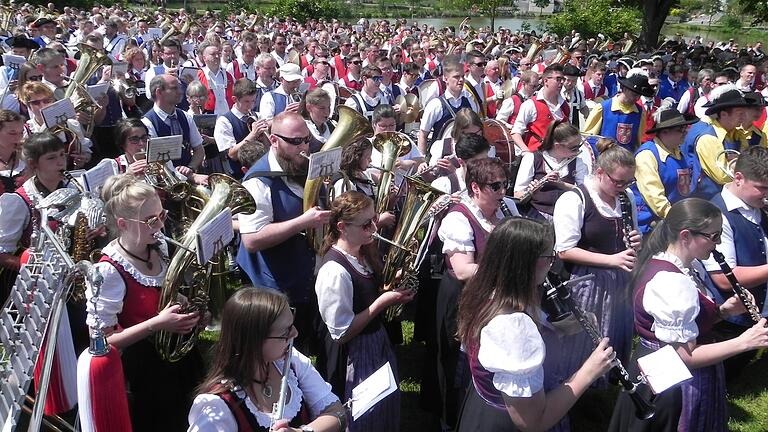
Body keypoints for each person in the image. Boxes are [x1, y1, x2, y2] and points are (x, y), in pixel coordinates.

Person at [608, 198, 768, 432]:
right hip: (674, 384)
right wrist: (744, 342)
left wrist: (724, 311)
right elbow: (683, 356)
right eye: (713, 236)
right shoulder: (671, 282)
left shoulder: (677, 264)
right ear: (685, 236)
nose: (718, 243)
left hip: (658, 370)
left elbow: (685, 326)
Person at [455, 217, 615, 431]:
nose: (552, 263)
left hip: (482, 406)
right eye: (548, 257)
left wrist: (557, 328)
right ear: (524, 264)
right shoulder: (514, 327)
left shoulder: (484, 292)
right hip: (506, 422)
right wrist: (589, 371)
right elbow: (532, 422)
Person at [88, 174, 203, 431]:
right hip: (144, 371)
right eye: (151, 220)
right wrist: (158, 324)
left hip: (177, 355)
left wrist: (189, 308)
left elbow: (160, 293)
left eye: (162, 216)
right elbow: (101, 340)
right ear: (123, 224)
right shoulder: (107, 271)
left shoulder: (158, 246)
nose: (160, 226)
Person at [315, 191, 413, 431]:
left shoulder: (363, 251)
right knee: (364, 416)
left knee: (383, 410)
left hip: (375, 342)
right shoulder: (333, 272)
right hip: (354, 354)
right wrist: (383, 302)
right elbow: (341, 333)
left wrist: (396, 279)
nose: (374, 228)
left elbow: (370, 288)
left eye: (374, 220)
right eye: (366, 224)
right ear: (342, 227)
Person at [188, 287, 346, 431]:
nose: (295, 334)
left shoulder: (292, 363)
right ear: (254, 341)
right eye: (285, 332)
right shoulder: (217, 407)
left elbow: (337, 412)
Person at [237, 111, 330, 353]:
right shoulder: (257, 182)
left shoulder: (302, 164)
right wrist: (302, 222)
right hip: (273, 285)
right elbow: (252, 240)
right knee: (281, 352)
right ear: (274, 140)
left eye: (306, 140)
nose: (303, 148)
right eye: (295, 142)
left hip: (303, 274)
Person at [551, 141, 641, 383]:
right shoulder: (575, 199)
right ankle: (580, 388)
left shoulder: (625, 197)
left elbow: (625, 238)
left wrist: (633, 242)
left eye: (628, 182)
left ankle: (610, 381)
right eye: (618, 182)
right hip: (586, 282)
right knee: (587, 340)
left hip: (618, 277)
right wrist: (612, 259)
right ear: (600, 172)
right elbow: (564, 251)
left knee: (614, 333)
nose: (623, 188)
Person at [434, 157, 513, 431]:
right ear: (475, 187)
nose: (503, 192)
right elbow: (463, 269)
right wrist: (509, 268)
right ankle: (454, 419)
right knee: (459, 364)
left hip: (495, 299)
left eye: (505, 184)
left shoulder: (506, 209)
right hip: (463, 300)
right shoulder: (458, 218)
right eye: (496, 186)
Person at [702, 146, 768, 378]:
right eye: (762, 188)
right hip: (730, 321)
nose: (767, 194)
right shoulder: (717, 214)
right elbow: (722, 278)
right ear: (738, 178)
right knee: (727, 376)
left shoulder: (759, 206)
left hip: (757, 310)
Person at [632, 109, 697, 233]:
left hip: (676, 222)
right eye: (680, 130)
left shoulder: (678, 152)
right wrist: (680, 219)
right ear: (664, 132)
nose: (684, 133)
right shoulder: (647, 155)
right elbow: (654, 197)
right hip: (650, 226)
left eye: (685, 129)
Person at [684, 84, 752, 200]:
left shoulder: (739, 135)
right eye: (739, 113)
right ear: (724, 114)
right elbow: (723, 176)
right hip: (709, 201)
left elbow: (749, 163)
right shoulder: (708, 139)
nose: (744, 117)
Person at [513, 120, 590, 220]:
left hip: (568, 217)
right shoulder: (532, 158)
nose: (577, 151)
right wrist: (532, 191)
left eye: (579, 146)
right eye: (573, 148)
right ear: (557, 145)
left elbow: (586, 193)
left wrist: (561, 184)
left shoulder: (578, 163)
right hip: (537, 215)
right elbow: (517, 194)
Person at [142, 74, 205, 174]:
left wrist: (191, 168)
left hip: (190, 177)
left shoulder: (185, 116)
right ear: (159, 92)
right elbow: (154, 162)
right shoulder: (147, 123)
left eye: (179, 88)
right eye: (174, 88)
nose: (180, 92)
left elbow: (199, 150)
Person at [582, 70, 655, 153]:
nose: (637, 98)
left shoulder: (640, 112)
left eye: (639, 95)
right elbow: (588, 139)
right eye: (634, 95)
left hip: (626, 161)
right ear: (625, 89)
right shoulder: (603, 108)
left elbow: (638, 142)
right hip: (604, 160)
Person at [213, 78, 269, 180]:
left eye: (253, 101)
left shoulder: (257, 116)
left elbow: (267, 148)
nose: (251, 105)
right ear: (234, 99)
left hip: (261, 170)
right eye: (246, 101)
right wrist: (253, 135)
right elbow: (232, 154)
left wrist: (264, 136)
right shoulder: (224, 121)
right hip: (239, 176)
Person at [418, 60, 477, 155]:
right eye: (456, 77)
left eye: (462, 76)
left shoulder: (470, 101)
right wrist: (422, 158)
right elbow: (423, 135)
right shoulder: (435, 104)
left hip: (466, 155)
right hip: (441, 158)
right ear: (445, 79)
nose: (461, 80)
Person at [511, 64, 570, 153]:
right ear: (546, 81)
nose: (561, 82)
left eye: (563, 79)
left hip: (561, 157)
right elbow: (516, 133)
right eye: (558, 79)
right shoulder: (530, 104)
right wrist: (526, 152)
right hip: (538, 157)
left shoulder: (565, 105)